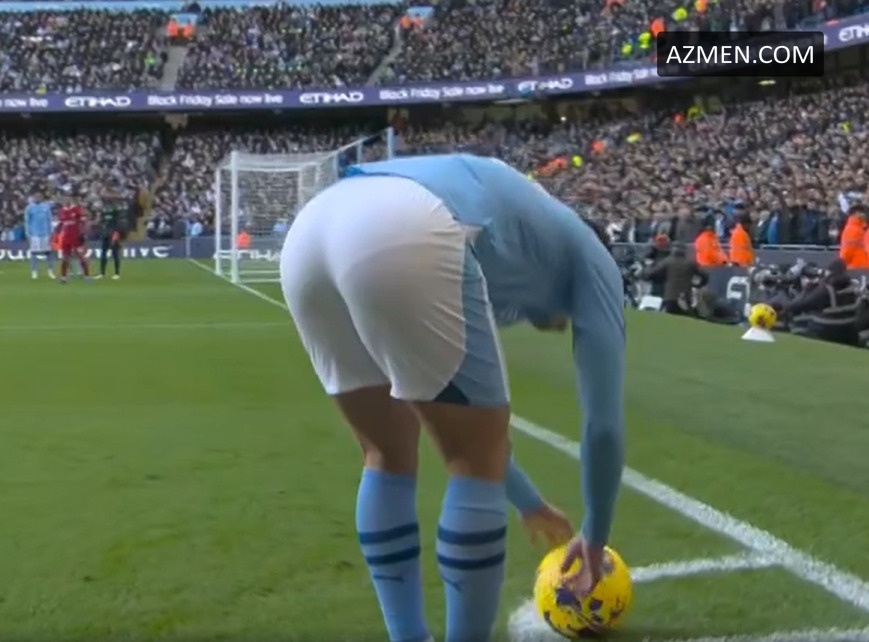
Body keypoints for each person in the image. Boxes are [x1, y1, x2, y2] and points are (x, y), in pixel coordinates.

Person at [279, 154, 625, 642]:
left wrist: (529, 504)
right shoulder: (594, 257)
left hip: (312, 231)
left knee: (386, 453)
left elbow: (463, 423)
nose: (559, 325)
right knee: (472, 460)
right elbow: (602, 424)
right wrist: (596, 533)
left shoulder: (518, 243)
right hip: (406, 222)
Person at [56, 195, 91, 283]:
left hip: (76, 237)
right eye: (64, 200)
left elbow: (84, 222)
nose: (66, 201)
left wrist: (84, 233)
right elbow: (61, 224)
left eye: (68, 199)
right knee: (65, 258)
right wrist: (57, 232)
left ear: (71, 200)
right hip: (66, 238)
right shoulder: (62, 211)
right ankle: (63, 277)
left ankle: (87, 276)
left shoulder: (77, 209)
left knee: (81, 256)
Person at [24, 193, 56, 280]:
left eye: (39, 197)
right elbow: (27, 221)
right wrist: (27, 233)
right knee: (34, 253)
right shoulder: (29, 208)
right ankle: (34, 271)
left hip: (46, 233)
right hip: (34, 234)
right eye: (36, 197)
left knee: (49, 252)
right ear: (34, 198)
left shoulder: (46, 207)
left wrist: (51, 231)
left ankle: (50, 271)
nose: (38, 198)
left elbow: (50, 220)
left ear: (42, 198)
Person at [96, 193, 127, 280]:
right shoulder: (103, 209)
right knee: (103, 253)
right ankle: (102, 273)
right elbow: (102, 221)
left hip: (113, 233)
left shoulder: (115, 209)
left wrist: (116, 233)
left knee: (115, 253)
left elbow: (118, 223)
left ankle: (117, 273)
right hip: (105, 233)